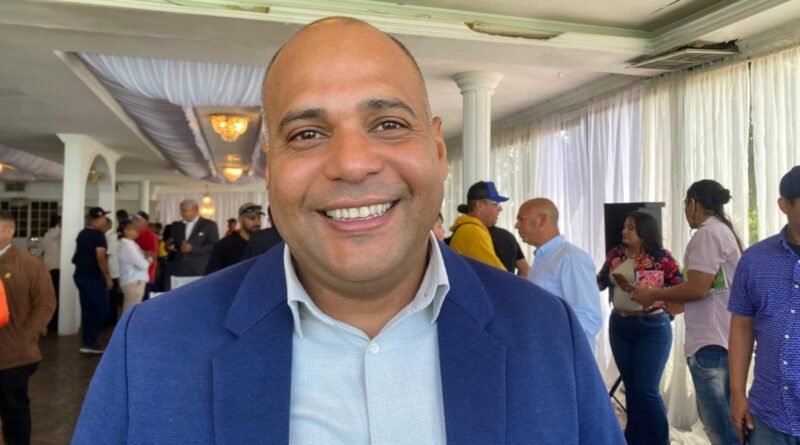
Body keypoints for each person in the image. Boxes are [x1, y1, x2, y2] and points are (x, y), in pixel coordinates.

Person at [73, 18, 624, 444]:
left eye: (388, 124)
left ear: (437, 150)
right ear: (269, 167)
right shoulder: (153, 345)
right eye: (308, 133)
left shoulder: (546, 332)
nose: (353, 164)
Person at [633, 179, 743, 445]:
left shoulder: (707, 234)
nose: (684, 210)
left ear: (693, 203)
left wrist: (654, 294)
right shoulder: (721, 231)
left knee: (719, 427)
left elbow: (698, 288)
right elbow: (714, 286)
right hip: (721, 337)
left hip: (710, 342)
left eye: (685, 203)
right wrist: (681, 301)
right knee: (726, 423)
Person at [597, 212, 683, 445]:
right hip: (620, 325)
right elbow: (600, 281)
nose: (624, 231)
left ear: (645, 232)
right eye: (624, 226)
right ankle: (633, 440)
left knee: (646, 389)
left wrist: (664, 300)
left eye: (630, 228)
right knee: (632, 389)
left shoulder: (662, 257)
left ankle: (660, 441)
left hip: (652, 327)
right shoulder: (616, 254)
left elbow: (681, 287)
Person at [728, 165, 800, 444]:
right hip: (769, 413)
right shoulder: (755, 260)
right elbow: (741, 325)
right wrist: (737, 392)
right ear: (784, 205)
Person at [515, 197, 603, 355]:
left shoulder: (570, 258)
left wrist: (550, 342)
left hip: (564, 355)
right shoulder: (543, 259)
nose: (517, 226)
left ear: (541, 220)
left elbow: (589, 318)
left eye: (522, 219)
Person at [0, 211, 56, 444]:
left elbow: (45, 303)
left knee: (14, 410)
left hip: (13, 356)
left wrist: (27, 336)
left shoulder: (30, 265)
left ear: (9, 231)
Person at [72, 207, 112, 354]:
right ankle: (90, 342)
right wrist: (107, 277)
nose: (105, 221)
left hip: (80, 276)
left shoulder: (82, 233)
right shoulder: (98, 236)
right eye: (104, 218)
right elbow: (100, 258)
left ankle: (87, 340)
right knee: (101, 309)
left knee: (88, 309)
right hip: (93, 278)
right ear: (99, 219)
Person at [447, 181, 506, 269]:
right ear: (480, 205)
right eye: (495, 204)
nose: (500, 209)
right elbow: (497, 273)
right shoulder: (473, 231)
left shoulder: (467, 228)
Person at [166, 199, 219, 278]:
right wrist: (170, 246)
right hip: (178, 269)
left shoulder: (209, 225)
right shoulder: (176, 226)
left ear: (195, 210)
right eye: (181, 210)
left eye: (184, 211)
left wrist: (193, 248)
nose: (181, 213)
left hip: (199, 269)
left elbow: (214, 246)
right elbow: (173, 243)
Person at [206, 203, 264, 274]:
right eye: (252, 218)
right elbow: (212, 274)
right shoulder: (224, 245)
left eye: (259, 218)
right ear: (240, 219)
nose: (257, 223)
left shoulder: (264, 243)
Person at [116, 219, 151, 313]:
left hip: (134, 281)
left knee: (132, 310)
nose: (137, 231)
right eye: (134, 229)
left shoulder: (130, 244)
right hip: (134, 282)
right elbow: (143, 265)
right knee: (131, 312)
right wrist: (149, 259)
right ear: (125, 231)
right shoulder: (128, 246)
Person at [40, 215, 61, 331]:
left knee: (54, 296)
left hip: (52, 268)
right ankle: (53, 322)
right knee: (55, 297)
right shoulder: (52, 234)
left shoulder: (49, 234)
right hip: (54, 269)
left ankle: (53, 321)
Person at [132, 211, 158, 300]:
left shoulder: (150, 236)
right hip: (133, 273)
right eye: (134, 219)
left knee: (144, 301)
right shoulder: (133, 234)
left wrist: (136, 251)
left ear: (145, 222)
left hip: (146, 274)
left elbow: (153, 255)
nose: (134, 222)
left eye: (137, 220)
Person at [103, 217, 122, 326]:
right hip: (110, 271)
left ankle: (111, 320)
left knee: (111, 298)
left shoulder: (112, 237)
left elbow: (106, 255)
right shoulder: (107, 236)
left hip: (112, 272)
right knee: (110, 297)